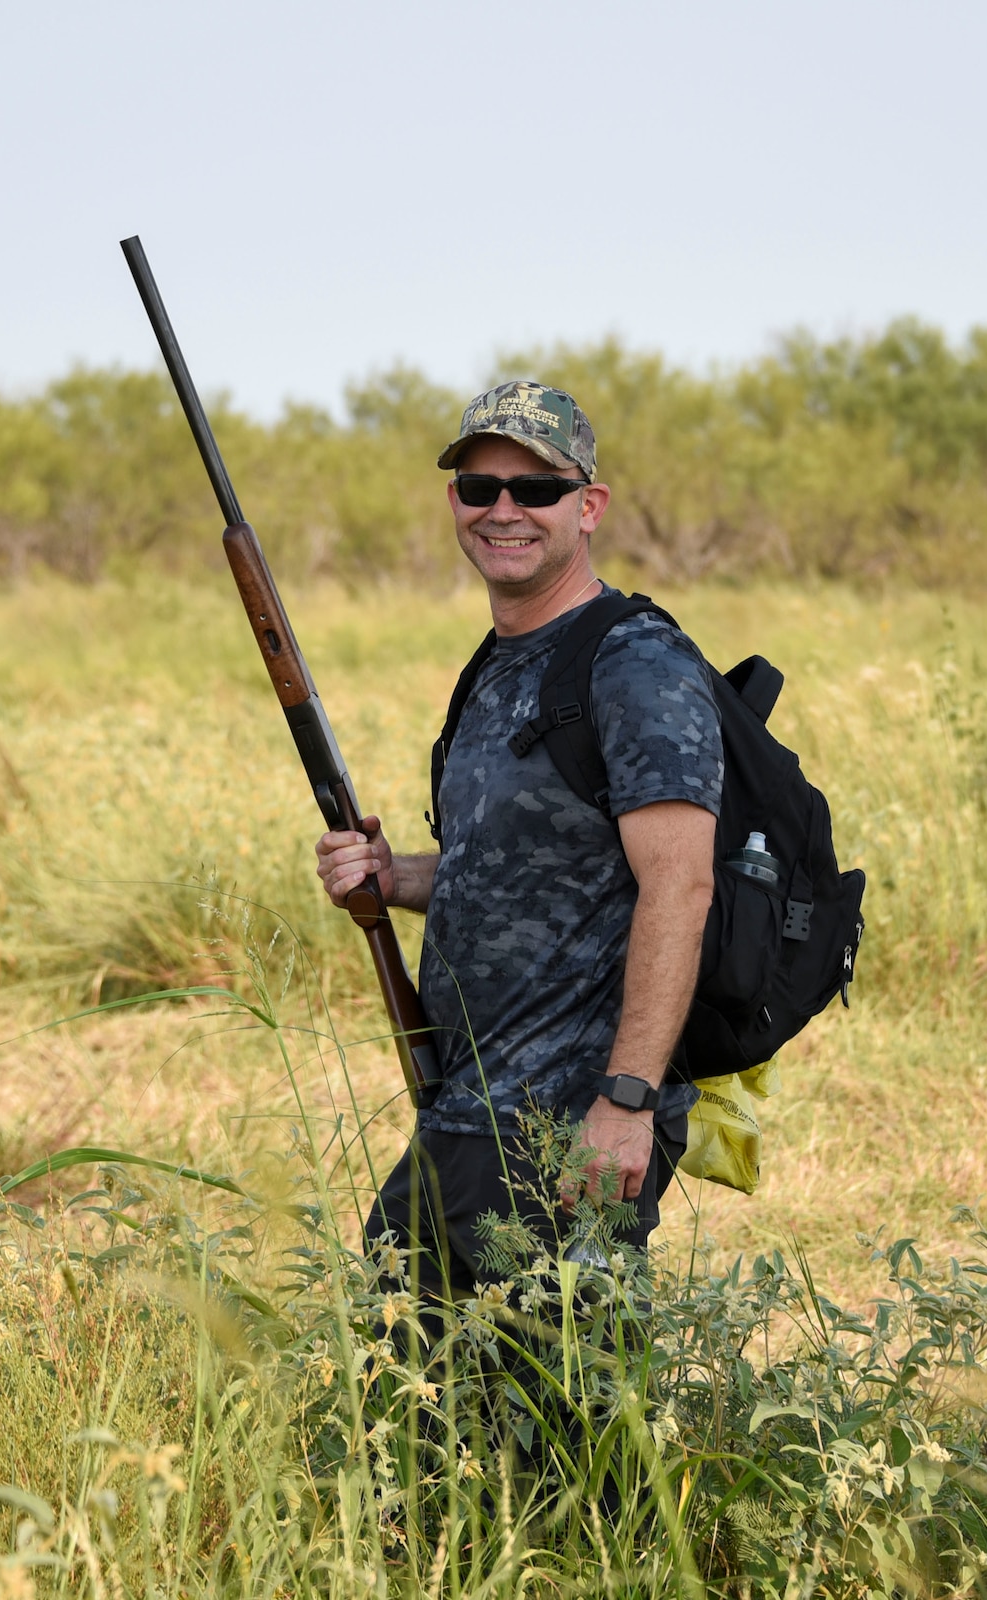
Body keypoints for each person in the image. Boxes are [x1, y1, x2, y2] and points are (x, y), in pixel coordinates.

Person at [314, 381, 720, 1296]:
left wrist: (625, 1105)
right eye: (478, 486)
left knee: (550, 1416)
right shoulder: (496, 664)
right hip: (467, 1112)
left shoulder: (635, 662)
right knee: (408, 1396)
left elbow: (680, 888)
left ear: (589, 507)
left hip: (563, 1130)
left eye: (536, 490)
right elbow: (514, 874)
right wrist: (392, 874)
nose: (504, 510)